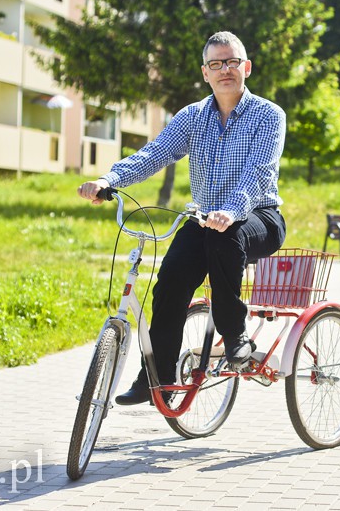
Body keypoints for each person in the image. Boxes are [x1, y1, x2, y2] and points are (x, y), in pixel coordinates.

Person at [77, 31, 287, 405]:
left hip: (259, 217)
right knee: (169, 283)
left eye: (232, 62)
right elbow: (154, 153)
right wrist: (108, 180)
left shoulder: (268, 115)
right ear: (205, 73)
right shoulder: (192, 117)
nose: (225, 69)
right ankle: (155, 376)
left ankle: (235, 337)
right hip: (206, 220)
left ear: (247, 68)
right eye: (216, 64)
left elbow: (259, 172)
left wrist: (232, 210)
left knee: (226, 237)